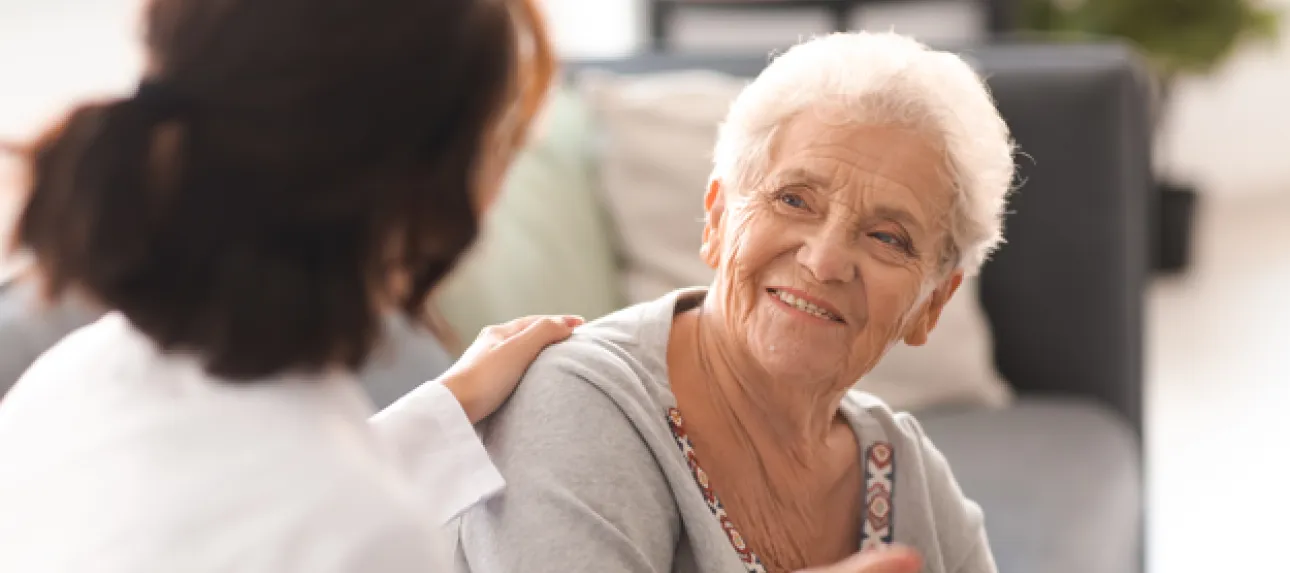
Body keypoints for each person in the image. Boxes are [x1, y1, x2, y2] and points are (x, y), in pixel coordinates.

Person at [0, 0, 574, 570]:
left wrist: (449, 407)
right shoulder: (361, 534)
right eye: (501, 139)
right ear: (437, 185)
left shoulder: (72, 379)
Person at [456, 31, 1014, 573]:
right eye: (794, 199)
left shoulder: (903, 472)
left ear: (932, 305)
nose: (824, 261)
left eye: (888, 237)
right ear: (719, 219)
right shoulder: (581, 401)